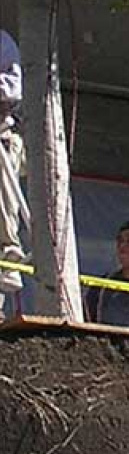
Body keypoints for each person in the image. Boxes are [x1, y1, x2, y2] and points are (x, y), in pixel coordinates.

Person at [0, 29, 27, 304]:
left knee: (3, 204)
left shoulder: (2, 42)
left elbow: (12, 89)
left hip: (1, 136)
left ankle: (8, 254)